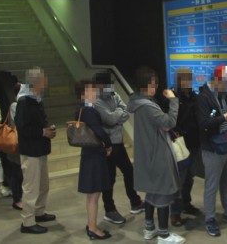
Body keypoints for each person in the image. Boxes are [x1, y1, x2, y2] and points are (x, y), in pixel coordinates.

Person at [127, 67, 185, 244]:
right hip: (157, 155)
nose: (155, 88)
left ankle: (149, 228)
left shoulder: (139, 102)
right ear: (142, 85)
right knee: (162, 195)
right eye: (151, 85)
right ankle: (163, 235)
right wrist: (173, 100)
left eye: (156, 84)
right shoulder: (147, 105)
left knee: (152, 195)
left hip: (148, 155)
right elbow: (169, 122)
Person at [93, 71, 144, 226]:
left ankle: (135, 202)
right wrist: (118, 115)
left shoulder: (114, 95)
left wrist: (116, 115)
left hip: (118, 142)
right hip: (107, 144)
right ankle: (110, 210)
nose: (109, 86)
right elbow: (109, 119)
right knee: (110, 178)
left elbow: (126, 111)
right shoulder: (96, 101)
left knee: (129, 171)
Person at [196, 65, 227, 237]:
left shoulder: (224, 94)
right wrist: (224, 117)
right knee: (212, 185)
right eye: (225, 82)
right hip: (212, 148)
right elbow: (203, 124)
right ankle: (210, 218)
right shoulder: (203, 97)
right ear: (216, 80)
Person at [15, 67, 57, 235]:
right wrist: (42, 132)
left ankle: (39, 212)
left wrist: (47, 129)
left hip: (40, 149)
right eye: (43, 78)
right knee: (31, 188)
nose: (46, 81)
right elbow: (22, 128)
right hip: (30, 151)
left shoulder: (36, 99)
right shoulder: (24, 102)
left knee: (43, 184)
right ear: (36, 82)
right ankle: (28, 221)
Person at [76, 79, 113, 240]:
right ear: (83, 93)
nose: (95, 93)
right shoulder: (88, 110)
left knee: (92, 194)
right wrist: (108, 144)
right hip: (94, 155)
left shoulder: (81, 108)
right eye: (92, 90)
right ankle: (92, 228)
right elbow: (99, 131)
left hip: (89, 154)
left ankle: (91, 224)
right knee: (94, 195)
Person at [169, 68, 201, 226]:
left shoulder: (194, 97)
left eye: (189, 78)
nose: (188, 82)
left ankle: (186, 203)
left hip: (194, 143)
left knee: (190, 177)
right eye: (184, 79)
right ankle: (175, 212)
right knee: (179, 180)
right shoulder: (173, 97)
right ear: (178, 80)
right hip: (180, 144)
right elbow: (170, 120)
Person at [8, 83, 24, 211]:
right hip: (16, 143)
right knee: (16, 172)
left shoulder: (21, 105)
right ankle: (17, 199)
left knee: (20, 172)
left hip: (22, 143)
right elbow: (18, 122)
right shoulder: (14, 105)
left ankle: (20, 197)